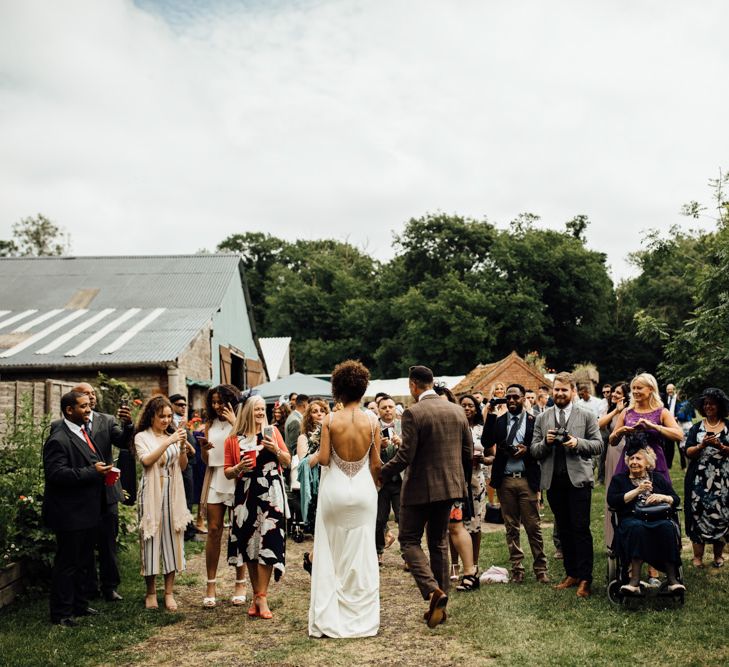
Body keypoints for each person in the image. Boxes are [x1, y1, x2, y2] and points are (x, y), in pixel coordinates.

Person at [380, 365, 472, 628]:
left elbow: (405, 456)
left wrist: (380, 474)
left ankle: (434, 591)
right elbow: (467, 453)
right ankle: (441, 608)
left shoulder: (413, 412)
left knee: (408, 540)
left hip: (420, 488)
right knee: (439, 542)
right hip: (450, 487)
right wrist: (462, 485)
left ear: (413, 386)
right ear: (431, 383)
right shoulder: (457, 411)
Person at [309, 360, 381, 638]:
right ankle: (362, 619)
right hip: (363, 490)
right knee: (362, 552)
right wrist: (377, 483)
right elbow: (376, 465)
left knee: (331, 551)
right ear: (363, 390)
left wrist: (311, 459)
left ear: (338, 389)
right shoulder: (372, 421)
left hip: (335, 490)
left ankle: (331, 615)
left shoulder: (330, 420)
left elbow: (325, 458)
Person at [530, 372, 603, 597]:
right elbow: (534, 450)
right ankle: (571, 573)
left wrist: (576, 443)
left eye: (564, 390)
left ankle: (585, 579)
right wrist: (546, 442)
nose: (560, 393)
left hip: (578, 481)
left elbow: (599, 445)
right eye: (557, 389)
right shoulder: (543, 418)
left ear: (572, 391)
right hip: (554, 481)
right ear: (552, 391)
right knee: (564, 529)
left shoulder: (587, 415)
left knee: (580, 529)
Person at [43, 391, 111, 626]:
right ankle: (61, 613)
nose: (88, 410)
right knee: (67, 563)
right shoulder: (58, 439)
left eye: (88, 406)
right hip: (69, 513)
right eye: (82, 407)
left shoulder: (83, 432)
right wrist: (93, 472)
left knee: (84, 561)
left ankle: (79, 605)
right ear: (69, 410)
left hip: (87, 510)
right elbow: (56, 475)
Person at [225, 395, 290, 619]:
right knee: (250, 543)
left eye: (263, 409)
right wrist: (238, 467)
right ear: (247, 412)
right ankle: (257, 595)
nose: (261, 413)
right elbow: (227, 471)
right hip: (246, 492)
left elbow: (288, 461)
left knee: (269, 541)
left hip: (271, 491)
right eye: (256, 409)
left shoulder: (273, 432)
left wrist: (276, 450)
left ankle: (261, 597)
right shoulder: (234, 438)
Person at [67, 382, 133, 602]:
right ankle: (88, 587)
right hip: (85, 493)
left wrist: (128, 424)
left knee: (108, 541)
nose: (92, 397)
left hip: (107, 491)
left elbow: (123, 441)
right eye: (86, 394)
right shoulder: (69, 427)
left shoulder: (107, 420)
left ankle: (110, 586)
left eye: (93, 393)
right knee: (85, 543)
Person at [483, 384, 548, 584]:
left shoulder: (534, 421)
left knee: (533, 526)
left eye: (515, 397)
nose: (511, 401)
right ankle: (517, 569)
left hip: (527, 480)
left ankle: (540, 569)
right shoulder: (499, 421)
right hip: (505, 480)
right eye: (508, 397)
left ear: (523, 399)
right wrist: (491, 414)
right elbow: (486, 442)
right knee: (511, 527)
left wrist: (527, 450)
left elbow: (542, 447)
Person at [134, 395, 192, 610]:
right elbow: (147, 461)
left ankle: (168, 592)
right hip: (151, 492)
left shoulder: (173, 437)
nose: (167, 421)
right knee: (151, 540)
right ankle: (150, 592)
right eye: (162, 417)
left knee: (172, 540)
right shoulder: (142, 437)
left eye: (169, 416)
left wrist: (183, 446)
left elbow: (183, 466)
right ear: (152, 417)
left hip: (173, 491)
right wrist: (169, 441)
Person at [607, 441, 684, 594]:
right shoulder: (619, 479)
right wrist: (638, 490)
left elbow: (676, 499)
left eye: (638, 459)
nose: (634, 462)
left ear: (648, 462)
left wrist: (663, 497)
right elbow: (613, 501)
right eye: (631, 458)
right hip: (630, 520)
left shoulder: (659, 479)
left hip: (658, 519)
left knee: (667, 527)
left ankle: (672, 580)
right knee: (637, 528)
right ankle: (634, 581)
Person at [199, 384, 240, 608]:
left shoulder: (241, 420)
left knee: (239, 529)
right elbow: (207, 460)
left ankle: (240, 582)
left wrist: (235, 423)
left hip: (236, 477)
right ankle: (211, 584)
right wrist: (204, 449)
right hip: (216, 477)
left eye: (220, 402)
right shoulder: (209, 424)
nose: (216, 406)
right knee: (214, 530)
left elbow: (247, 443)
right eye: (212, 402)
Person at [681, 387, 729, 568]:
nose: (709, 407)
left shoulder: (727, 426)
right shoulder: (696, 427)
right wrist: (701, 445)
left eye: (713, 404)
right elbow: (688, 451)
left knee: (722, 516)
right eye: (706, 404)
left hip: (724, 480)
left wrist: (721, 446)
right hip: (699, 481)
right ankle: (697, 557)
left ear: (720, 406)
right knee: (698, 514)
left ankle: (718, 556)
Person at [435, 386, 477, 588]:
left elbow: (468, 454)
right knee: (436, 530)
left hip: (453, 482)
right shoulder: (426, 422)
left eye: (444, 402)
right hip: (431, 484)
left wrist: (463, 482)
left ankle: (470, 572)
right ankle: (442, 573)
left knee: (455, 527)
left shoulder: (459, 422)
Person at [609, 373, 683, 482]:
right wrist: (621, 431)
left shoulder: (662, 412)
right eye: (633, 388)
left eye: (639, 388)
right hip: (629, 462)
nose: (635, 391)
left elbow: (679, 435)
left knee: (656, 496)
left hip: (654, 462)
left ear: (651, 389)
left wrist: (653, 426)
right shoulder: (626, 412)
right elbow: (612, 441)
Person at [459, 394, 489, 585]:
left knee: (475, 523)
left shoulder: (482, 430)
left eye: (471, 405)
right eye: (463, 405)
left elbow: (491, 454)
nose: (467, 408)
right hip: (458, 478)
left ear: (477, 409)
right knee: (457, 524)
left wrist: (483, 459)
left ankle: (474, 564)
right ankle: (457, 564)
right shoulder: (454, 427)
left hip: (476, 478)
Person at [599, 382, 630, 548]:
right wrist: (616, 411)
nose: (614, 395)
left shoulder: (630, 410)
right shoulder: (610, 409)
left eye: (618, 393)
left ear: (625, 395)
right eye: (613, 392)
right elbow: (600, 425)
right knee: (612, 491)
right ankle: (612, 540)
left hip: (627, 450)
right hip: (612, 451)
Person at [296, 399, 330, 540]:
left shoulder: (333, 433)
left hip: (331, 478)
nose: (319, 414)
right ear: (309, 415)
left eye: (322, 411)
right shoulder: (303, 438)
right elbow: (305, 464)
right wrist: (321, 446)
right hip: (315, 485)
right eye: (315, 411)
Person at [376, 395, 402, 565]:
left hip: (401, 480)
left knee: (404, 519)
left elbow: (413, 446)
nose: (387, 410)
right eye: (384, 407)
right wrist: (379, 445)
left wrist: (402, 442)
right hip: (381, 481)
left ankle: (408, 555)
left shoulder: (404, 425)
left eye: (390, 407)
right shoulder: (372, 426)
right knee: (379, 519)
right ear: (378, 410)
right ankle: (378, 552)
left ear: (395, 408)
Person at [169, 393, 197, 541]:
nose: (183, 407)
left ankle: (188, 528)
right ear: (172, 405)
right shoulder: (171, 422)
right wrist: (189, 446)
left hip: (189, 463)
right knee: (185, 498)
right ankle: (188, 532)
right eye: (179, 405)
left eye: (185, 405)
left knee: (189, 497)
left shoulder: (182, 421)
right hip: (179, 463)